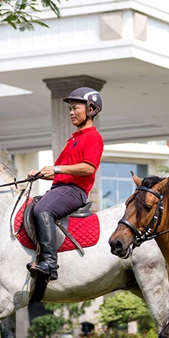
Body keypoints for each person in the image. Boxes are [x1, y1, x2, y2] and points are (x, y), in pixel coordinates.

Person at [27, 87, 104, 281]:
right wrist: (40, 174)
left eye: (75, 108)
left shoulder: (93, 137)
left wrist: (58, 169)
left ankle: (50, 263)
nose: (71, 112)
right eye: (70, 109)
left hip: (74, 191)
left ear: (91, 109)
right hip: (60, 188)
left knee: (42, 210)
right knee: (31, 207)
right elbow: (61, 171)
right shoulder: (73, 140)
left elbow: (88, 168)